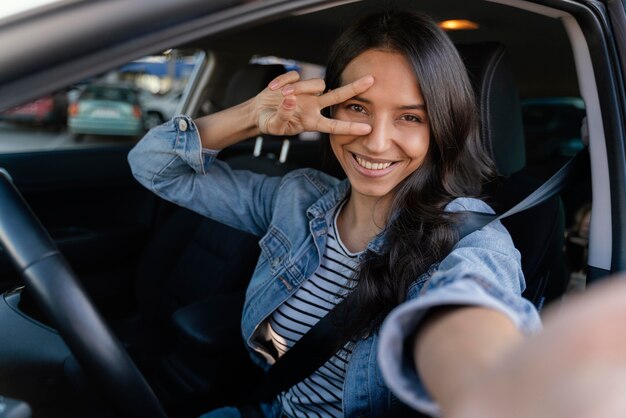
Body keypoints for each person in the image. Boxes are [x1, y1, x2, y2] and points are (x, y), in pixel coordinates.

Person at [128, 10, 540, 418]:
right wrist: (253, 117)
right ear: (330, 108)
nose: (377, 143)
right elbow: (154, 166)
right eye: (358, 108)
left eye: (410, 117)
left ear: (442, 128)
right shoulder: (298, 198)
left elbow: (475, 314)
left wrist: (484, 375)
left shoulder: (466, 233)